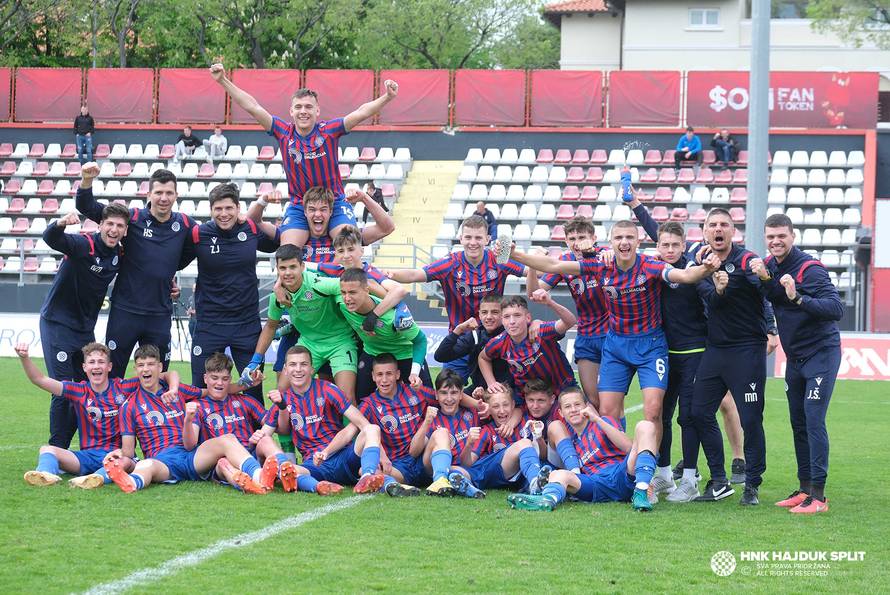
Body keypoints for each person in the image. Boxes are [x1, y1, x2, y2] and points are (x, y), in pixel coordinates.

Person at [507, 221, 721, 441]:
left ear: (639, 241)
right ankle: (615, 464)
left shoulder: (651, 265)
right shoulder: (600, 264)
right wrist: (515, 254)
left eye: (629, 237)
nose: (624, 242)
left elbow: (685, 276)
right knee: (606, 412)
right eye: (619, 238)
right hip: (616, 345)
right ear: (611, 243)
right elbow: (552, 265)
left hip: (651, 345)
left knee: (653, 411)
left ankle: (653, 470)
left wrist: (707, 268)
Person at [629, 197, 755, 500]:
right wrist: (635, 205)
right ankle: (664, 474)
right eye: (664, 245)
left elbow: (711, 297)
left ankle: (697, 478)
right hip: (663, 355)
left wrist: (718, 286)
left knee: (692, 416)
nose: (669, 250)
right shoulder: (656, 269)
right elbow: (649, 231)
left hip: (695, 354)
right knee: (662, 415)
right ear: (658, 246)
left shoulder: (694, 269)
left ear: (684, 245)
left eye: (675, 245)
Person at [210, 61, 399, 248]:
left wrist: (387, 98)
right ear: (291, 111)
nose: (303, 111)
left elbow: (361, 112)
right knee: (288, 250)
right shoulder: (283, 132)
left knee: (348, 243)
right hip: (300, 205)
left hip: (334, 202)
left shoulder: (329, 130)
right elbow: (253, 106)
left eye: (308, 107)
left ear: (317, 111)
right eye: (298, 107)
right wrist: (223, 80)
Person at [752, 213, 844, 514]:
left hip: (821, 354)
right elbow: (775, 295)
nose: (776, 241)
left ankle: (819, 497)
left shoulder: (810, 268)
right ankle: (804, 488)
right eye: (771, 237)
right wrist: (767, 281)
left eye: (781, 236)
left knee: (814, 420)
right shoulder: (770, 266)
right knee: (799, 423)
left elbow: (835, 308)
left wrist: (798, 298)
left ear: (792, 236)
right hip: (795, 358)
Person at [687, 208, 771, 506]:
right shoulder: (700, 266)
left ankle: (752, 484)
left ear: (733, 231)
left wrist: (763, 273)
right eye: (713, 225)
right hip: (716, 350)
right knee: (698, 412)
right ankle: (720, 481)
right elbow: (709, 298)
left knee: (750, 418)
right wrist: (718, 289)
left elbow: (763, 284)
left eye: (724, 224)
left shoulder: (745, 259)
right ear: (705, 231)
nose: (718, 229)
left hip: (747, 351)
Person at [102, 345, 268, 494]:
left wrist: (246, 384)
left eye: (151, 364)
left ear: (160, 367)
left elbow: (213, 390)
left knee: (228, 439)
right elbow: (129, 452)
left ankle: (258, 475)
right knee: (146, 466)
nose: (146, 369)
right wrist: (120, 453)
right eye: (141, 365)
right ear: (135, 369)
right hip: (162, 461)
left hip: (192, 456)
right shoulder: (128, 406)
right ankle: (131, 482)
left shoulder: (179, 390)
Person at [77, 164, 192, 378]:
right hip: (125, 311)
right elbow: (87, 207)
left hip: (159, 314)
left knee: (156, 376)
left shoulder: (185, 224)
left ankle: (149, 413)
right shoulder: (132, 218)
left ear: (176, 195)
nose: (163, 198)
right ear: (149, 194)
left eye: (169, 193)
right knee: (112, 373)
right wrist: (86, 181)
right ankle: (113, 412)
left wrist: (166, 273)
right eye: (158, 192)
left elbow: (190, 252)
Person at [387, 215, 526, 379]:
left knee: (496, 393)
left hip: (492, 341)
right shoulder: (450, 263)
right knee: (448, 391)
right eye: (468, 237)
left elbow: (531, 272)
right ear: (461, 238)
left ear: (487, 239)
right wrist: (389, 274)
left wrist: (525, 256)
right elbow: (415, 274)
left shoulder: (499, 260)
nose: (473, 242)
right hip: (459, 340)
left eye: (478, 237)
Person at [178, 183, 279, 404]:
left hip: (246, 325)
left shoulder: (250, 229)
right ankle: (198, 437)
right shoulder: (198, 234)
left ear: (238, 208)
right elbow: (173, 261)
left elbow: (280, 243)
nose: (224, 214)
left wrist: (260, 208)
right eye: (218, 209)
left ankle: (255, 438)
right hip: (209, 325)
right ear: (211, 210)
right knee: (199, 388)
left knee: (252, 389)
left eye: (228, 208)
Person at [185, 352, 340, 495]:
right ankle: (256, 482)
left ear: (230, 379)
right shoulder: (198, 406)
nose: (219, 383)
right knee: (222, 463)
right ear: (205, 378)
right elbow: (190, 445)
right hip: (224, 461)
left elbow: (274, 425)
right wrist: (188, 419)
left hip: (252, 454)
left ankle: (312, 484)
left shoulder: (245, 401)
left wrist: (280, 408)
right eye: (214, 378)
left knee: (265, 440)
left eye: (225, 379)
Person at [39, 201, 128, 449]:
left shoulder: (119, 255)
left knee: (86, 389)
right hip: (57, 323)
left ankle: (85, 448)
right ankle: (57, 450)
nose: (114, 229)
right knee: (63, 388)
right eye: (109, 223)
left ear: (125, 231)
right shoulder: (83, 245)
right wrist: (60, 223)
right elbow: (50, 237)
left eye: (119, 225)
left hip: (84, 330)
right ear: (100, 225)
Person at [507, 388, 658, 512]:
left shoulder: (603, 421)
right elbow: (550, 455)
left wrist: (597, 420)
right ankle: (546, 500)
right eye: (567, 406)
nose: (573, 410)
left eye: (577, 405)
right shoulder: (567, 440)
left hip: (622, 474)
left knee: (646, 426)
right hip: (595, 483)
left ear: (586, 406)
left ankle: (641, 491)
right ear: (561, 413)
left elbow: (628, 447)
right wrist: (539, 437)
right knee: (559, 475)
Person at [243, 244, 359, 403]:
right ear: (277, 269)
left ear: (302, 266)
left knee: (346, 396)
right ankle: (291, 428)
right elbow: (270, 326)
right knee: (283, 392)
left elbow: (351, 285)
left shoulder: (317, 284)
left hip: (340, 341)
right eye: (283, 268)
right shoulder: (277, 297)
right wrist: (255, 360)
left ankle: (350, 428)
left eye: (293, 267)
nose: (288, 272)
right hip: (309, 343)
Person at [267, 346, 386, 493]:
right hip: (314, 465)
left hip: (344, 458)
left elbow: (363, 423)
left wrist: (383, 456)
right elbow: (264, 435)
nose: (298, 369)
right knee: (287, 470)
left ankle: (367, 477)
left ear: (312, 368)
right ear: (285, 369)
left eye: (303, 364)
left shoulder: (328, 389)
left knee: (372, 429)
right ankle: (319, 486)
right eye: (293, 364)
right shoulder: (282, 400)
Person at [15, 342, 132, 489]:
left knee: (126, 461)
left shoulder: (123, 387)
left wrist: (171, 386)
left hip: (115, 455)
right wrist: (24, 358)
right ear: (84, 367)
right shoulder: (79, 390)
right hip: (86, 457)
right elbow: (40, 379)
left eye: (101, 362)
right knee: (47, 449)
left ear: (109, 367)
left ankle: (96, 478)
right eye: (91, 362)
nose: (96, 366)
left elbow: (162, 376)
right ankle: (45, 475)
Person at [526, 216, 609, 407]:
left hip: (612, 335)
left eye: (582, 237)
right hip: (586, 335)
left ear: (594, 238)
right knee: (592, 399)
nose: (577, 243)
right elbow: (533, 293)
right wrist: (532, 264)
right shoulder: (565, 262)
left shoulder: (605, 256)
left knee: (610, 399)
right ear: (566, 241)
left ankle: (617, 435)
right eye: (572, 239)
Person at [336, 268, 432, 399]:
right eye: (343, 292)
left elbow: (420, 341)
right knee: (360, 399)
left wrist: (414, 373)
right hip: (373, 352)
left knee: (429, 399)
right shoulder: (341, 305)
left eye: (353, 292)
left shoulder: (395, 317)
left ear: (366, 291)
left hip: (405, 354)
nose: (347, 298)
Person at [359, 354, 437, 496]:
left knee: (440, 434)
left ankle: (441, 479)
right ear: (373, 376)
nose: (384, 380)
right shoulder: (368, 404)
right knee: (364, 470)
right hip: (397, 468)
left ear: (397, 374)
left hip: (424, 461)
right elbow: (355, 430)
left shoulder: (415, 391)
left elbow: (445, 397)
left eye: (389, 374)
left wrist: (478, 404)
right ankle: (392, 485)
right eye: (379, 374)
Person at [479, 292, 577, 398]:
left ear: (528, 318)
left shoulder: (541, 330)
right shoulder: (499, 342)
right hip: (528, 398)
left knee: (583, 410)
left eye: (517, 315)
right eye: (507, 317)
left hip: (564, 390)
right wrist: (491, 383)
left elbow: (570, 321)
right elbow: (483, 358)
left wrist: (550, 303)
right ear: (502, 320)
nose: (512, 321)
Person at [408, 370, 483, 497]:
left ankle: (461, 486)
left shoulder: (472, 413)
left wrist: (483, 396)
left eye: (454, 393)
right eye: (443, 393)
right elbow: (413, 452)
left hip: (460, 468)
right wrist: (426, 422)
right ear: (436, 395)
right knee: (442, 433)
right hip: (430, 469)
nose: (449, 399)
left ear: (461, 395)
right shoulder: (432, 415)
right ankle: (440, 480)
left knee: (458, 473)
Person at [434, 295, 511, 395]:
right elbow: (440, 356)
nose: (488, 317)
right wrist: (458, 329)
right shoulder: (475, 335)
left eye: (495, 312)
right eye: (484, 312)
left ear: (503, 314)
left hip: (506, 390)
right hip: (479, 389)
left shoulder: (511, 333)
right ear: (479, 315)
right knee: (451, 397)